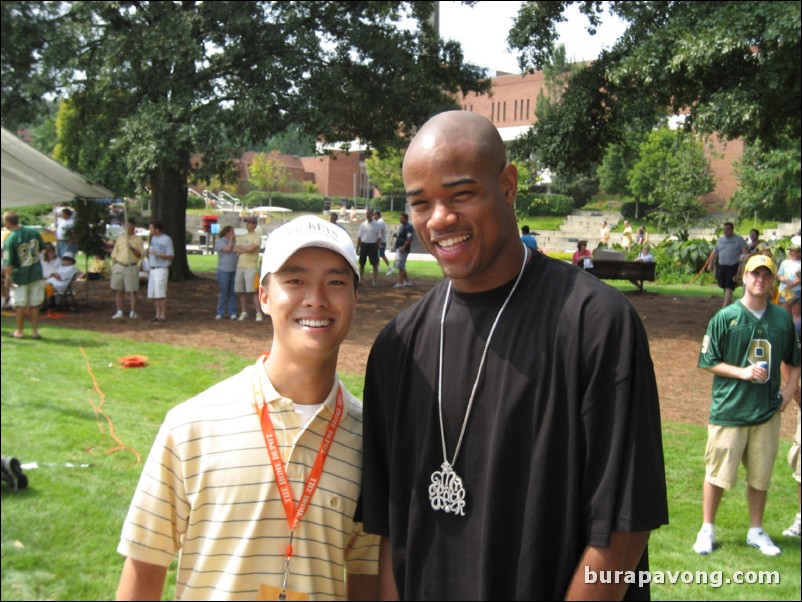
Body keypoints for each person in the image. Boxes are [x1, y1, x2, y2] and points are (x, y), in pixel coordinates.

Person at [361, 111, 668, 600]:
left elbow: (621, 528)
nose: (439, 219)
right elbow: (389, 528)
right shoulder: (397, 346)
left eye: (460, 194)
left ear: (507, 185)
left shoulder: (595, 323)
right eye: (421, 203)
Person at [116, 215, 379, 601]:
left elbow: (367, 580)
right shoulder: (191, 425)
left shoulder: (371, 442)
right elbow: (144, 568)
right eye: (295, 280)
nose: (316, 298)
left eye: (336, 281)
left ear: (355, 297)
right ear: (264, 296)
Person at [693, 254, 801, 557]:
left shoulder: (781, 319)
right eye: (755, 274)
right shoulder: (724, 317)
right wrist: (741, 372)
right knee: (716, 473)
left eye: (766, 275)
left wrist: (790, 389)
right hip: (730, 410)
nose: (760, 280)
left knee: (760, 474)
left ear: (772, 281)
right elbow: (707, 360)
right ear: (744, 278)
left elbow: (795, 359)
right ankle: (707, 528)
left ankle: (756, 530)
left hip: (766, 412)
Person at [3, 211, 46, 340]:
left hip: (20, 275)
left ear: (7, 223)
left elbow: (8, 262)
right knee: (35, 304)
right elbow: (41, 248)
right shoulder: (33, 232)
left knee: (20, 304)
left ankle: (19, 331)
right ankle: (34, 332)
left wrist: (7, 278)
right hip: (35, 272)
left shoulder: (10, 238)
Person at [110, 218, 144, 320]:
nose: (126, 228)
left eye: (128, 225)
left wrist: (132, 248)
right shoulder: (120, 238)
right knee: (119, 290)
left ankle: (133, 311)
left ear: (133, 227)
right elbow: (115, 253)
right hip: (119, 266)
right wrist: (114, 265)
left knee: (132, 291)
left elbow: (141, 255)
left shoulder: (138, 239)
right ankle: (119, 311)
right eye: (125, 226)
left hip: (131, 266)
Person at [710, 221, 748, 307]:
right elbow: (715, 253)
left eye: (728, 229)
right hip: (722, 267)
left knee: (729, 286)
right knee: (725, 286)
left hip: (733, 266)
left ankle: (725, 306)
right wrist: (710, 263)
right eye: (724, 229)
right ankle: (728, 303)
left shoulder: (738, 239)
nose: (726, 231)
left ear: (732, 230)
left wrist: (742, 261)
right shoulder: (721, 240)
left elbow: (744, 251)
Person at [234, 216, 263, 322]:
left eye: (250, 223)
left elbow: (252, 249)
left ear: (254, 225)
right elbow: (236, 248)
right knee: (241, 291)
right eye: (247, 223)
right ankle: (244, 311)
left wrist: (243, 249)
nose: (247, 225)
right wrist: (246, 248)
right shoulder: (242, 236)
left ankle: (258, 313)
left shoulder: (257, 237)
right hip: (240, 266)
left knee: (253, 291)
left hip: (251, 267)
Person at [146, 220, 174, 324]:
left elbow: (171, 255)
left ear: (157, 229)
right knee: (154, 293)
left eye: (151, 228)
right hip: (153, 268)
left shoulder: (167, 239)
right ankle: (157, 314)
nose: (150, 230)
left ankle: (163, 315)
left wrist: (158, 254)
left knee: (161, 293)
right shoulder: (153, 238)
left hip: (161, 268)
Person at [213, 225, 239, 320]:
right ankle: (220, 312)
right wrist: (231, 240)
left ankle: (232, 312)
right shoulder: (220, 242)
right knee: (224, 292)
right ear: (226, 233)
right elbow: (227, 249)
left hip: (233, 269)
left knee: (231, 292)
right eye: (232, 232)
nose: (233, 234)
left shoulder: (235, 242)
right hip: (223, 270)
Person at [356, 207, 381, 287]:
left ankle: (375, 280)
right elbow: (359, 237)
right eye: (367, 214)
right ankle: (360, 280)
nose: (368, 215)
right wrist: (357, 248)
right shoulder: (363, 224)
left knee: (374, 264)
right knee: (362, 264)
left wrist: (377, 246)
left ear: (372, 214)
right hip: (364, 245)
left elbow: (379, 237)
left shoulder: (376, 224)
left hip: (373, 245)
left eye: (369, 214)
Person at [777, 244, 801, 318]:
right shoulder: (785, 262)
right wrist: (788, 283)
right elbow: (779, 275)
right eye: (790, 250)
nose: (791, 252)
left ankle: (796, 329)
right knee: (785, 315)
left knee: (796, 314)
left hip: (797, 290)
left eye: (793, 251)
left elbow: (800, 278)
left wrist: (791, 285)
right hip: (785, 290)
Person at [392, 212, 414, 288]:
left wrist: (404, 246)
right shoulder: (402, 226)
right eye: (400, 218)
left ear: (406, 219)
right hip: (399, 247)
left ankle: (400, 282)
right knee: (401, 265)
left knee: (400, 265)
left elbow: (409, 238)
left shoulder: (408, 227)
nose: (400, 219)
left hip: (403, 249)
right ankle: (407, 281)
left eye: (402, 218)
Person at [373, 210, 394, 276]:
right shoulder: (379, 222)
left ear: (378, 215)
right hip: (380, 241)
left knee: (382, 254)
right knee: (378, 255)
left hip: (381, 241)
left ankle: (390, 268)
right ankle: (378, 268)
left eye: (375, 215)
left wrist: (378, 243)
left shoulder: (380, 222)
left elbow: (381, 233)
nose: (373, 216)